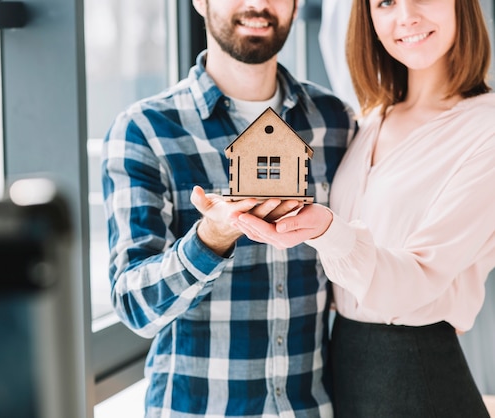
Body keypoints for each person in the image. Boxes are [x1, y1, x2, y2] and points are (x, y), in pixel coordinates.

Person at [229, 0, 495, 417]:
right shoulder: (372, 119)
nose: (406, 14)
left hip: (417, 378)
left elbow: (418, 278)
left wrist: (326, 232)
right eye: (384, 1)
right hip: (347, 368)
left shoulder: (487, 129)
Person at [101, 0, 356, 416]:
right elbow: (135, 307)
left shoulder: (335, 123)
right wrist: (209, 240)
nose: (258, 4)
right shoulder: (144, 130)